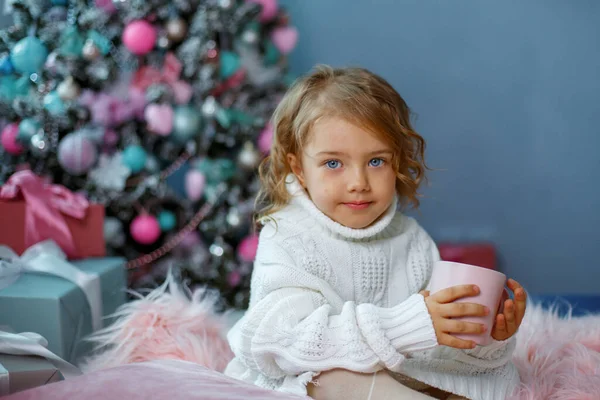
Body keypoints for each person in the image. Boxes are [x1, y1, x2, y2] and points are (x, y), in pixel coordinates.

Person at [225, 65, 526, 400]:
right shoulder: (288, 236)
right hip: (300, 378)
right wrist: (404, 326)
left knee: (487, 379)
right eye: (333, 164)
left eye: (376, 161)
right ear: (300, 169)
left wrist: (485, 339)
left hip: (394, 378)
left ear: (396, 162)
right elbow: (281, 343)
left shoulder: (411, 241)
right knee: (328, 377)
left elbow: (436, 349)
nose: (358, 184)